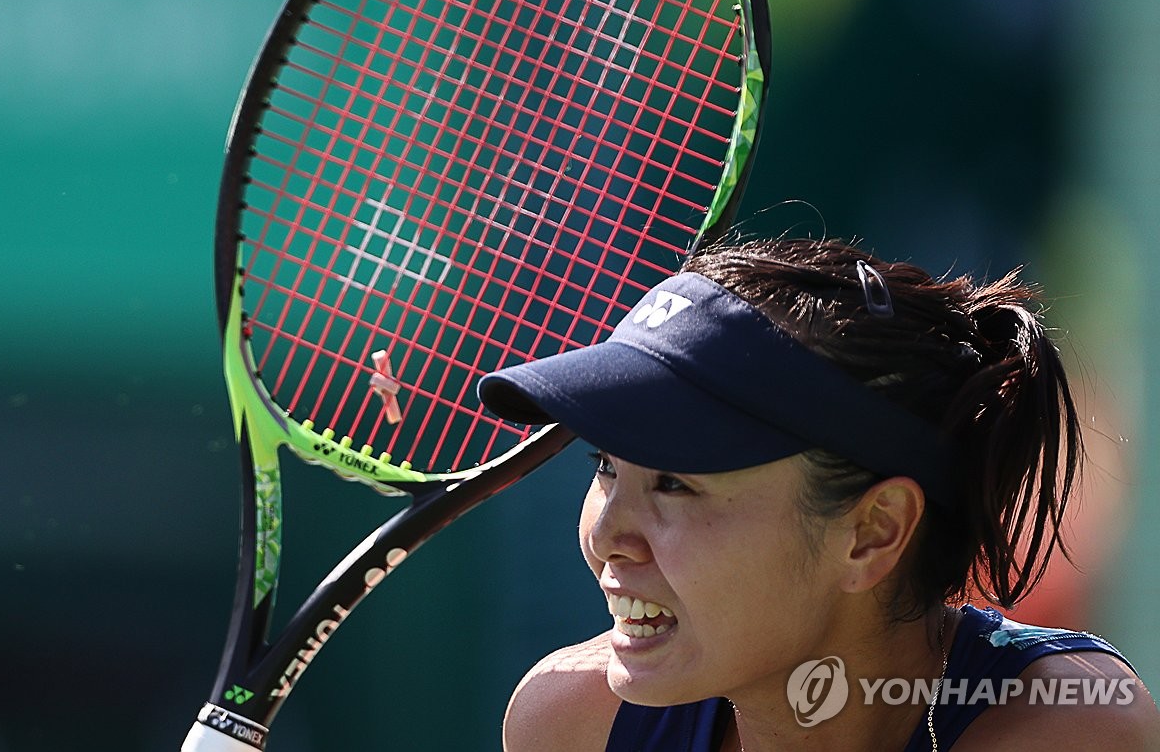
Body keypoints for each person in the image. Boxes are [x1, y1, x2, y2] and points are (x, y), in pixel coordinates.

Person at [477, 238, 1160, 751]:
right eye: (605, 467)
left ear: (873, 532)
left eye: (675, 484)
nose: (606, 536)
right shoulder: (568, 721)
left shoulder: (1070, 728)